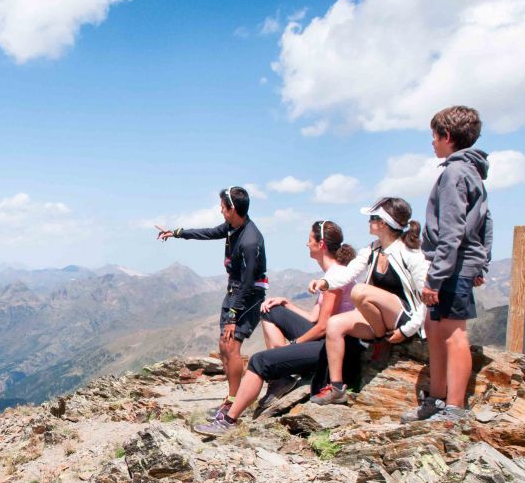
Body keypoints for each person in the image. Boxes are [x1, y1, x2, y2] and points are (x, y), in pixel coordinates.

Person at [191, 220, 357, 435]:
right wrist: (286, 303)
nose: (307, 244)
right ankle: (281, 377)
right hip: (326, 340)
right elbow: (314, 317)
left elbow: (324, 327)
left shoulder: (334, 279)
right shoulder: (333, 274)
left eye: (309, 240)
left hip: (333, 347)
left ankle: (228, 421)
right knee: (269, 309)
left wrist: (294, 345)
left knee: (259, 361)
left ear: (321, 244)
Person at [403, 106, 492, 423]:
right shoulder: (472, 173)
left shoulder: (454, 174)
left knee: (453, 335)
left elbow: (453, 231)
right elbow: (486, 222)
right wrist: (482, 263)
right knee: (434, 329)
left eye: (434, 136)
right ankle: (437, 400)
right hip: (458, 264)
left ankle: (453, 407)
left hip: (451, 266)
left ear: (447, 137)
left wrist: (435, 279)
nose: (432, 143)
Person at [157, 186, 267, 430]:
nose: (220, 210)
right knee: (223, 346)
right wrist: (176, 233)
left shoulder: (250, 240)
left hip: (248, 296)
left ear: (233, 209)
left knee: (231, 344)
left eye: (222, 206)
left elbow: (249, 283)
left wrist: (233, 316)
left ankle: (235, 401)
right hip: (234, 291)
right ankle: (231, 398)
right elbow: (208, 233)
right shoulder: (233, 226)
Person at [309, 197, 429, 406]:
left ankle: (379, 340)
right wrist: (324, 282)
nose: (369, 222)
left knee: (360, 291)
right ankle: (337, 387)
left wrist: (409, 329)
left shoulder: (410, 254)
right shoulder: (372, 249)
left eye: (373, 218)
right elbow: (348, 273)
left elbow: (425, 298)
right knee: (334, 324)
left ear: (383, 223)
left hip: (404, 319)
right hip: (380, 321)